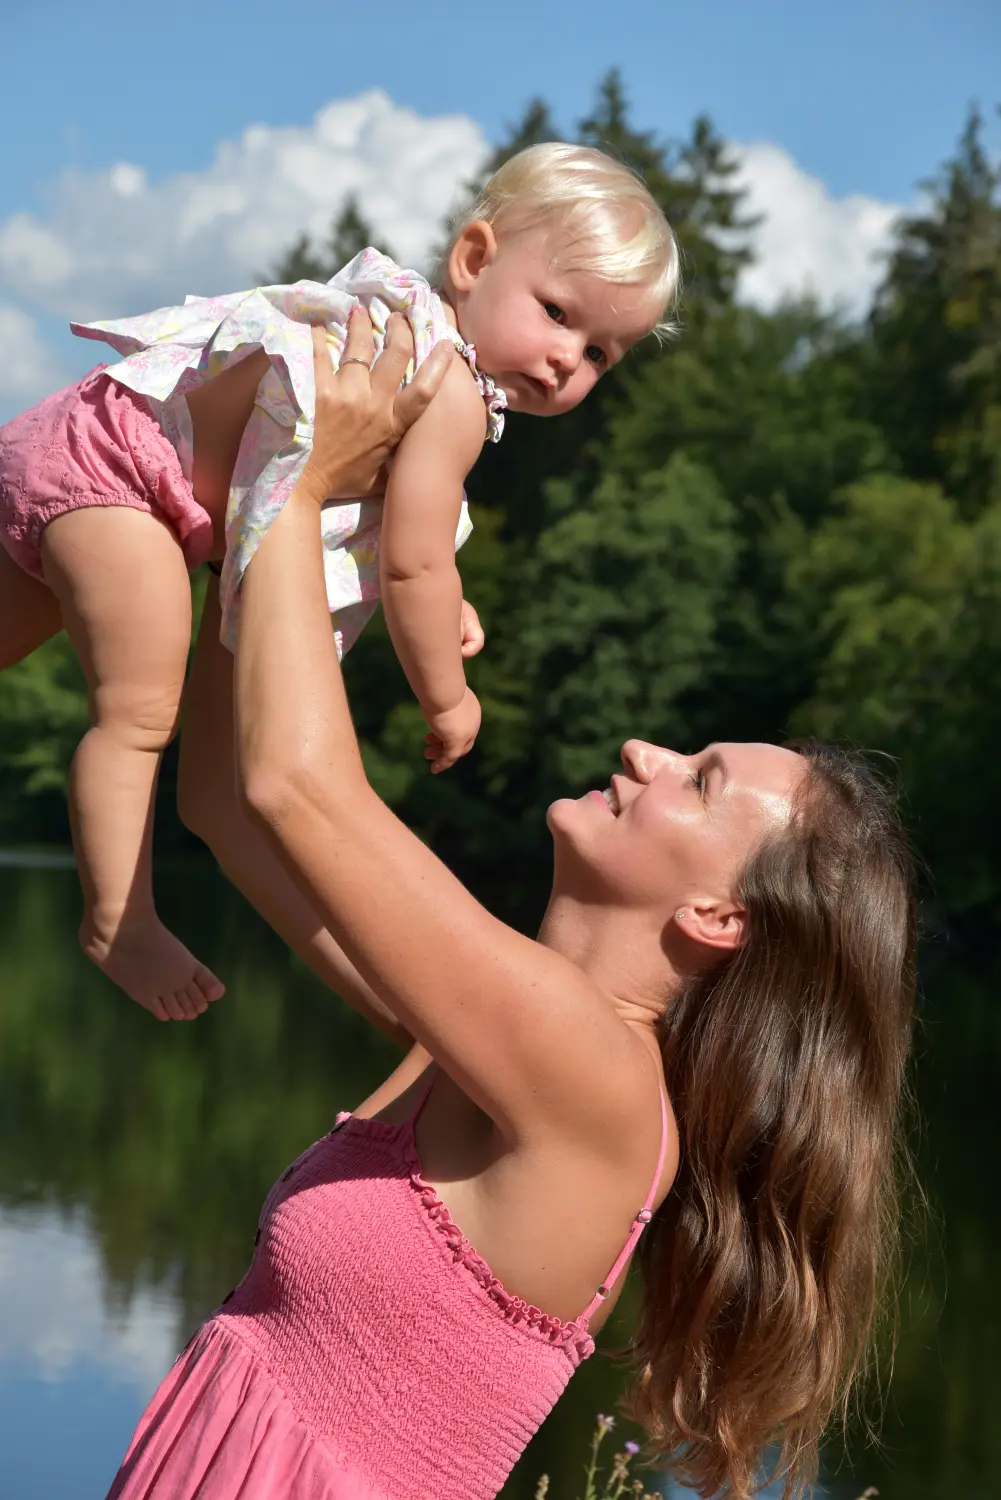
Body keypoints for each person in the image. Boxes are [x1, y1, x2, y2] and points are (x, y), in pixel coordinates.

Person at [105, 313, 917, 1500]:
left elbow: (297, 787)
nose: (641, 749)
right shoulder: (482, 1035)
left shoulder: (586, 1065)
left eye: (694, 780)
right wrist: (261, 524)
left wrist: (306, 466)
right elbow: (229, 805)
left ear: (720, 915)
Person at [0, 144, 678, 1022]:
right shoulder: (452, 389)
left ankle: (407, 1020)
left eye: (599, 354)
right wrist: (448, 699)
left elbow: (401, 534)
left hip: (98, 439)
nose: (564, 361)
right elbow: (410, 565)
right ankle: (118, 921)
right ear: (473, 260)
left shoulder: (406, 334)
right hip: (127, 480)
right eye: (556, 314)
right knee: (137, 713)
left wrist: (450, 593)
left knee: (187, 759)